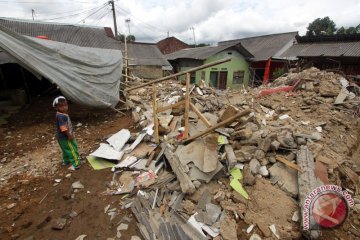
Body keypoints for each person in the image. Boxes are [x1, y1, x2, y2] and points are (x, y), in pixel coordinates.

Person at [53, 96, 80, 170]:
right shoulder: (61, 116)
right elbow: (63, 128)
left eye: (65, 105)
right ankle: (76, 164)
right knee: (72, 149)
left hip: (60, 137)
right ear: (56, 107)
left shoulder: (60, 114)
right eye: (61, 106)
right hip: (65, 137)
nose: (64, 107)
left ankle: (66, 161)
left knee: (65, 149)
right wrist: (69, 135)